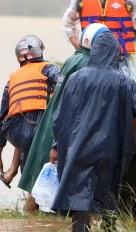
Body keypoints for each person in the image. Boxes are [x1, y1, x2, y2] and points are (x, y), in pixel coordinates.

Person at [50, 31, 136, 232]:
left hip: (79, 145)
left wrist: (56, 145)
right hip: (111, 147)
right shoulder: (124, 82)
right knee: (109, 188)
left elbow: (59, 117)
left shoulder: (75, 78)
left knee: (79, 190)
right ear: (115, 54)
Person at [16, 23, 110, 196]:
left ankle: (31, 218)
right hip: (64, 124)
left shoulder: (75, 58)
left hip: (52, 119)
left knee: (41, 177)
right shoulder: (86, 63)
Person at [0, 35, 60, 212]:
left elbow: (0, 118)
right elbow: (63, 83)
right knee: (35, 187)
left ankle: (13, 171)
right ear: (39, 51)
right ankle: (29, 217)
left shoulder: (11, 80)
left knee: (31, 178)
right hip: (37, 131)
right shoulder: (48, 69)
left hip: (15, 133)